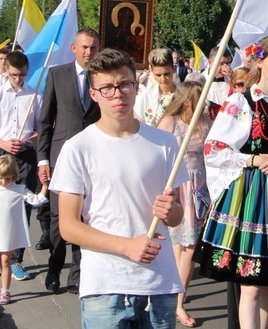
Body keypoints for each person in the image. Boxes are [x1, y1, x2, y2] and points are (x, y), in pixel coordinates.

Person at [49, 48, 187, 327]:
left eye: (124, 84)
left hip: (158, 286)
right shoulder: (78, 148)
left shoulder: (165, 143)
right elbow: (68, 226)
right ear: (94, 94)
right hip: (105, 286)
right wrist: (127, 247)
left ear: (136, 87)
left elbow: (177, 217)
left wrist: (171, 210)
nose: (117, 94)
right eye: (107, 88)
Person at [193, 37, 268, 329]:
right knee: (249, 283)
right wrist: (254, 159)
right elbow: (215, 148)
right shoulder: (240, 102)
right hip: (249, 196)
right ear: (258, 61)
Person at [37, 29, 100, 294]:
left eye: (94, 48)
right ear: (74, 48)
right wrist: (42, 159)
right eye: (85, 47)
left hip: (93, 157)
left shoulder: (102, 78)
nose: (89, 52)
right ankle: (54, 270)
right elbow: (44, 121)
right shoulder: (57, 74)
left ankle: (77, 275)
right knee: (57, 218)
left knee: (84, 218)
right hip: (61, 157)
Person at [0, 50, 41, 282]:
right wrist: (3, 143)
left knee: (22, 207)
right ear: (6, 71)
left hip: (25, 156)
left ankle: (15, 259)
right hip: (2, 154)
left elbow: (41, 128)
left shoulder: (35, 95)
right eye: (14, 75)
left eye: (22, 75)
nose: (18, 79)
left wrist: (28, 141)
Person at [157, 81, 212, 327]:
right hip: (179, 186)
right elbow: (155, 156)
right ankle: (176, 304)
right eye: (199, 100)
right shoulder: (170, 122)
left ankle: (175, 302)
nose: (204, 105)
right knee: (184, 247)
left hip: (200, 187)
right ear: (188, 100)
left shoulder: (204, 122)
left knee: (186, 248)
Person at [0, 154, 49, 305]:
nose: (4, 182)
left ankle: (5, 291)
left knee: (6, 261)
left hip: (8, 233)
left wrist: (45, 186)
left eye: (8, 178)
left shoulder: (19, 190)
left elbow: (36, 200)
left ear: (14, 176)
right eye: (0, 178)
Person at [135, 48, 177, 128]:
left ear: (174, 69)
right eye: (158, 75)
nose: (163, 79)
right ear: (151, 71)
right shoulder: (144, 97)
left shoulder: (184, 94)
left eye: (167, 74)